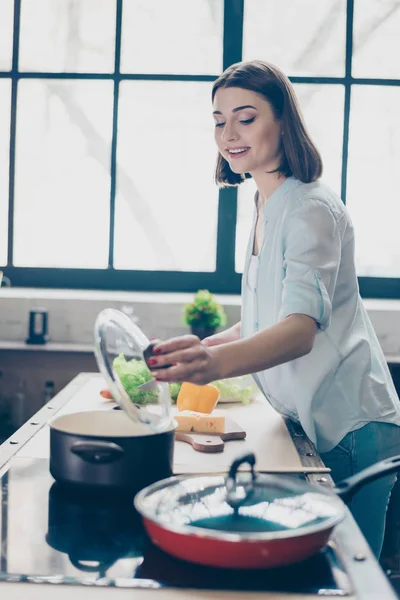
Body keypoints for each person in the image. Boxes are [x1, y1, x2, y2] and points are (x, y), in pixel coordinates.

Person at [147, 59, 400, 558]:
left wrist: (212, 366)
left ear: (284, 121)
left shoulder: (310, 209)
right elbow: (264, 318)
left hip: (353, 428)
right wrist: (197, 351)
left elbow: (298, 330)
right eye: (219, 120)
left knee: (352, 578)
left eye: (246, 117)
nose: (228, 133)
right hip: (316, 421)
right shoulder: (267, 204)